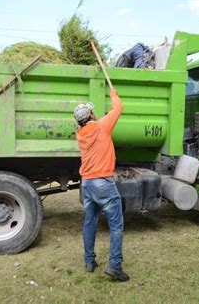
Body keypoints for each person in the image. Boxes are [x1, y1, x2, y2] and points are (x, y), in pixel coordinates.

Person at [74, 88, 130, 282]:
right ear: (90, 115)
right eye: (91, 111)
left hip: (87, 184)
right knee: (116, 225)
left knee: (90, 221)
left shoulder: (80, 134)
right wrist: (113, 93)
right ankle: (114, 266)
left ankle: (89, 262)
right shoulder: (101, 126)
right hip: (103, 183)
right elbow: (119, 107)